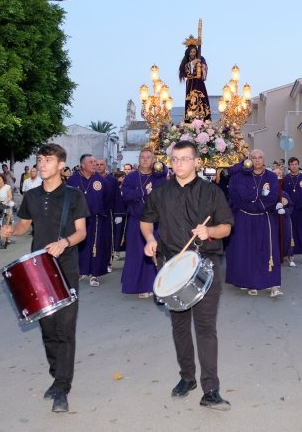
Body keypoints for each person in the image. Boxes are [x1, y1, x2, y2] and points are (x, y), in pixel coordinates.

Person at [140, 140, 234, 411]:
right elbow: (146, 221)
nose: (179, 163)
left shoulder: (212, 192)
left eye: (184, 159)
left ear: (196, 162)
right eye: (175, 159)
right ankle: (186, 378)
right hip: (172, 265)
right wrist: (149, 239)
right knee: (179, 327)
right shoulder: (160, 193)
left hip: (205, 264)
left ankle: (211, 389)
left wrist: (210, 232)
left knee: (205, 328)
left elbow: (226, 227)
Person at [1, 143, 89, 413]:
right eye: (39, 159)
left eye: (48, 160)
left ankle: (63, 385)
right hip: (37, 269)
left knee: (65, 328)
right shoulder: (32, 195)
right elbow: (24, 226)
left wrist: (64, 242)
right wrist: (10, 232)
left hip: (65, 267)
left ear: (61, 164)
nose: (42, 164)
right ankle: (57, 374)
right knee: (48, 328)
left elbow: (81, 232)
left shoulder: (73, 196)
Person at [225, 149, 283, 297]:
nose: (257, 160)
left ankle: (272, 283)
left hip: (264, 217)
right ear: (249, 160)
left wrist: (255, 203)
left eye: (260, 157)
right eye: (254, 158)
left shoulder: (271, 176)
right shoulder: (241, 176)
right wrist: (252, 202)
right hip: (245, 218)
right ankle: (250, 282)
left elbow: (273, 196)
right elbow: (237, 194)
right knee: (248, 251)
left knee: (267, 250)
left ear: (264, 160)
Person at [120, 149, 167, 297]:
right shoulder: (131, 176)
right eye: (142, 157)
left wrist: (160, 166)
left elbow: (164, 175)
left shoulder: (158, 176)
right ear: (138, 159)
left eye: (148, 157)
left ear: (153, 160)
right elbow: (125, 195)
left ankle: (153, 286)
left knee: (154, 252)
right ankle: (136, 286)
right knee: (136, 254)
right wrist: (141, 192)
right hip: (136, 220)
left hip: (155, 221)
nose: (145, 160)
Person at [67, 154, 114, 286]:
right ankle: (81, 271)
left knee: (95, 246)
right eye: (91, 162)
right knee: (80, 247)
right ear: (82, 165)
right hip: (77, 220)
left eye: (95, 162)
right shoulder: (72, 180)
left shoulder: (101, 180)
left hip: (96, 219)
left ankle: (94, 274)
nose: (94, 164)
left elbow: (107, 200)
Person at [282, 157, 302, 265]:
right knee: (291, 232)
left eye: (296, 164)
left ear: (298, 165)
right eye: (292, 164)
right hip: (290, 210)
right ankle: (291, 254)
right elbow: (283, 196)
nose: (294, 166)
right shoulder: (285, 179)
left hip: (301, 209)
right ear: (289, 166)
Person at [178, 39, 211, 122]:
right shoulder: (187, 61)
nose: (193, 53)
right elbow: (185, 72)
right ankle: (190, 118)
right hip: (191, 84)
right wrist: (192, 63)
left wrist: (202, 66)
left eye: (194, 51)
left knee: (202, 99)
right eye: (191, 52)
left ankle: (204, 117)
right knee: (191, 100)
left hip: (199, 83)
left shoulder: (201, 58)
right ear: (188, 52)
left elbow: (205, 69)